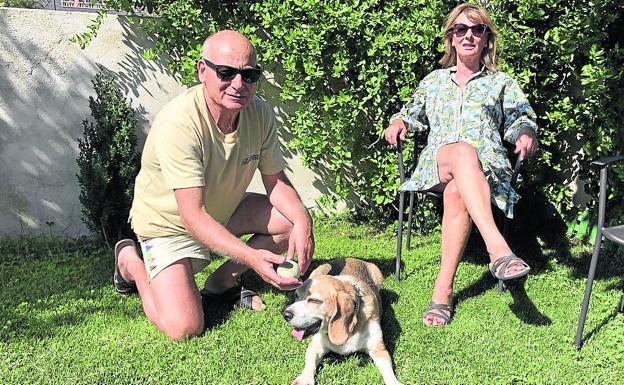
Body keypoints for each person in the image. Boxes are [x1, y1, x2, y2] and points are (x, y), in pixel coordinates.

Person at [113, 30, 315, 340]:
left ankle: (221, 283)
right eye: (226, 72)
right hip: (169, 225)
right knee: (184, 327)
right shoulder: (180, 123)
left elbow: (276, 181)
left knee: (289, 220)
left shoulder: (259, 113)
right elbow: (193, 216)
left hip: (223, 209)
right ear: (202, 71)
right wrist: (251, 257)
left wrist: (303, 220)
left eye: (249, 75)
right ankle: (131, 264)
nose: (238, 84)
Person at [384, 3, 538, 326]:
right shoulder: (434, 81)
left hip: (486, 173)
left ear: (486, 40)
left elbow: (521, 117)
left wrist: (525, 133)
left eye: (477, 30)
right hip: (438, 165)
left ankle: (442, 291)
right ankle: (498, 249)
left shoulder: (502, 83)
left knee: (458, 191)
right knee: (463, 154)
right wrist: (398, 122)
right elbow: (410, 112)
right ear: (451, 39)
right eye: (461, 30)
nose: (468, 36)